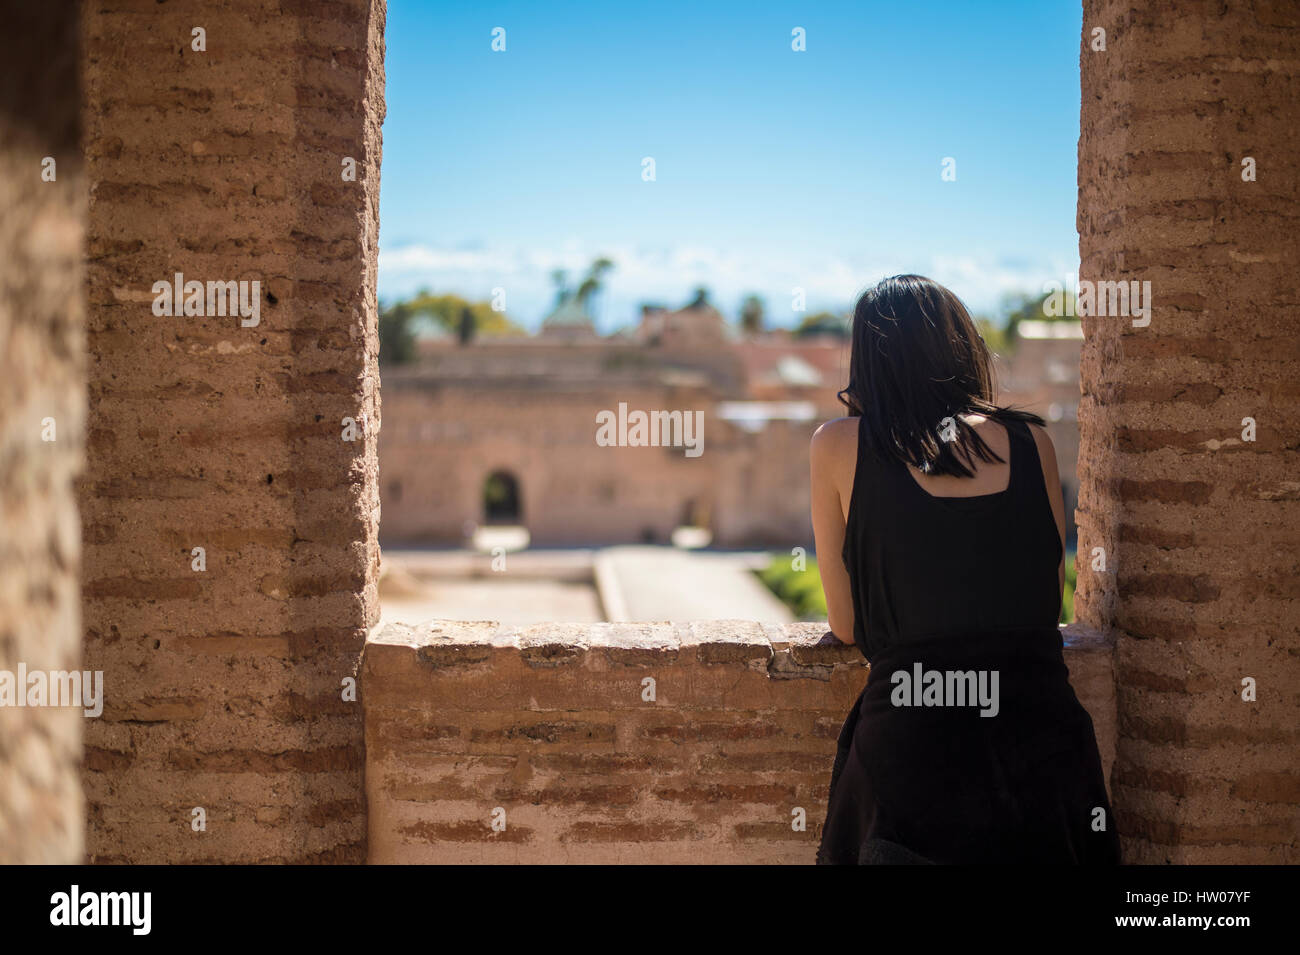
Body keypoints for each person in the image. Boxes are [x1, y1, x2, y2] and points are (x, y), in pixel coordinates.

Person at [809, 274, 1120, 865]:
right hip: (1041, 745)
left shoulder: (837, 445)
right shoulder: (1033, 444)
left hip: (911, 755)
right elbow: (1044, 599)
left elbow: (846, 625)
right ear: (962, 350)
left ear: (868, 359)